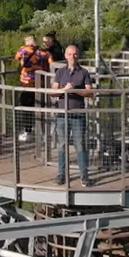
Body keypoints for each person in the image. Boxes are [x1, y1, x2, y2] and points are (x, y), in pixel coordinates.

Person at [51, 45, 93, 186]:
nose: (72, 57)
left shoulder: (84, 72)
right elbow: (53, 92)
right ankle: (61, 174)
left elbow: (89, 93)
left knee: (80, 145)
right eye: (70, 54)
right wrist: (65, 90)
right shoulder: (60, 72)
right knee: (62, 145)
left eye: (75, 54)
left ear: (78, 55)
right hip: (62, 115)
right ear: (65, 56)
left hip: (78, 115)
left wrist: (75, 90)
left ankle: (84, 175)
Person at [13, 36, 52, 142]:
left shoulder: (22, 50)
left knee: (27, 107)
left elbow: (16, 58)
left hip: (27, 83)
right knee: (42, 107)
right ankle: (45, 133)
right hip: (42, 83)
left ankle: (28, 131)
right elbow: (51, 62)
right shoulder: (44, 52)